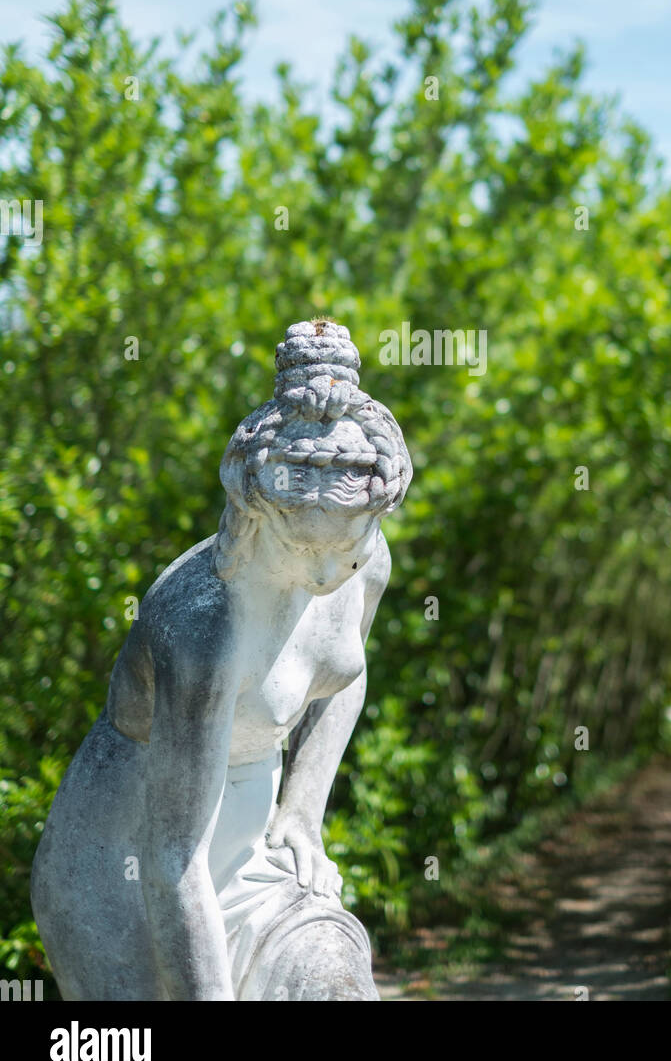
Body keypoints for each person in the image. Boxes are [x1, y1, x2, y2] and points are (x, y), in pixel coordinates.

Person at [31, 319, 412, 1001]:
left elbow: (341, 677)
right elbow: (172, 861)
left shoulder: (363, 557)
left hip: (257, 847)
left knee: (337, 986)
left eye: (348, 550)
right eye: (305, 551)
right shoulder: (203, 626)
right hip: (130, 855)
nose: (329, 575)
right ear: (257, 513)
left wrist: (301, 811)